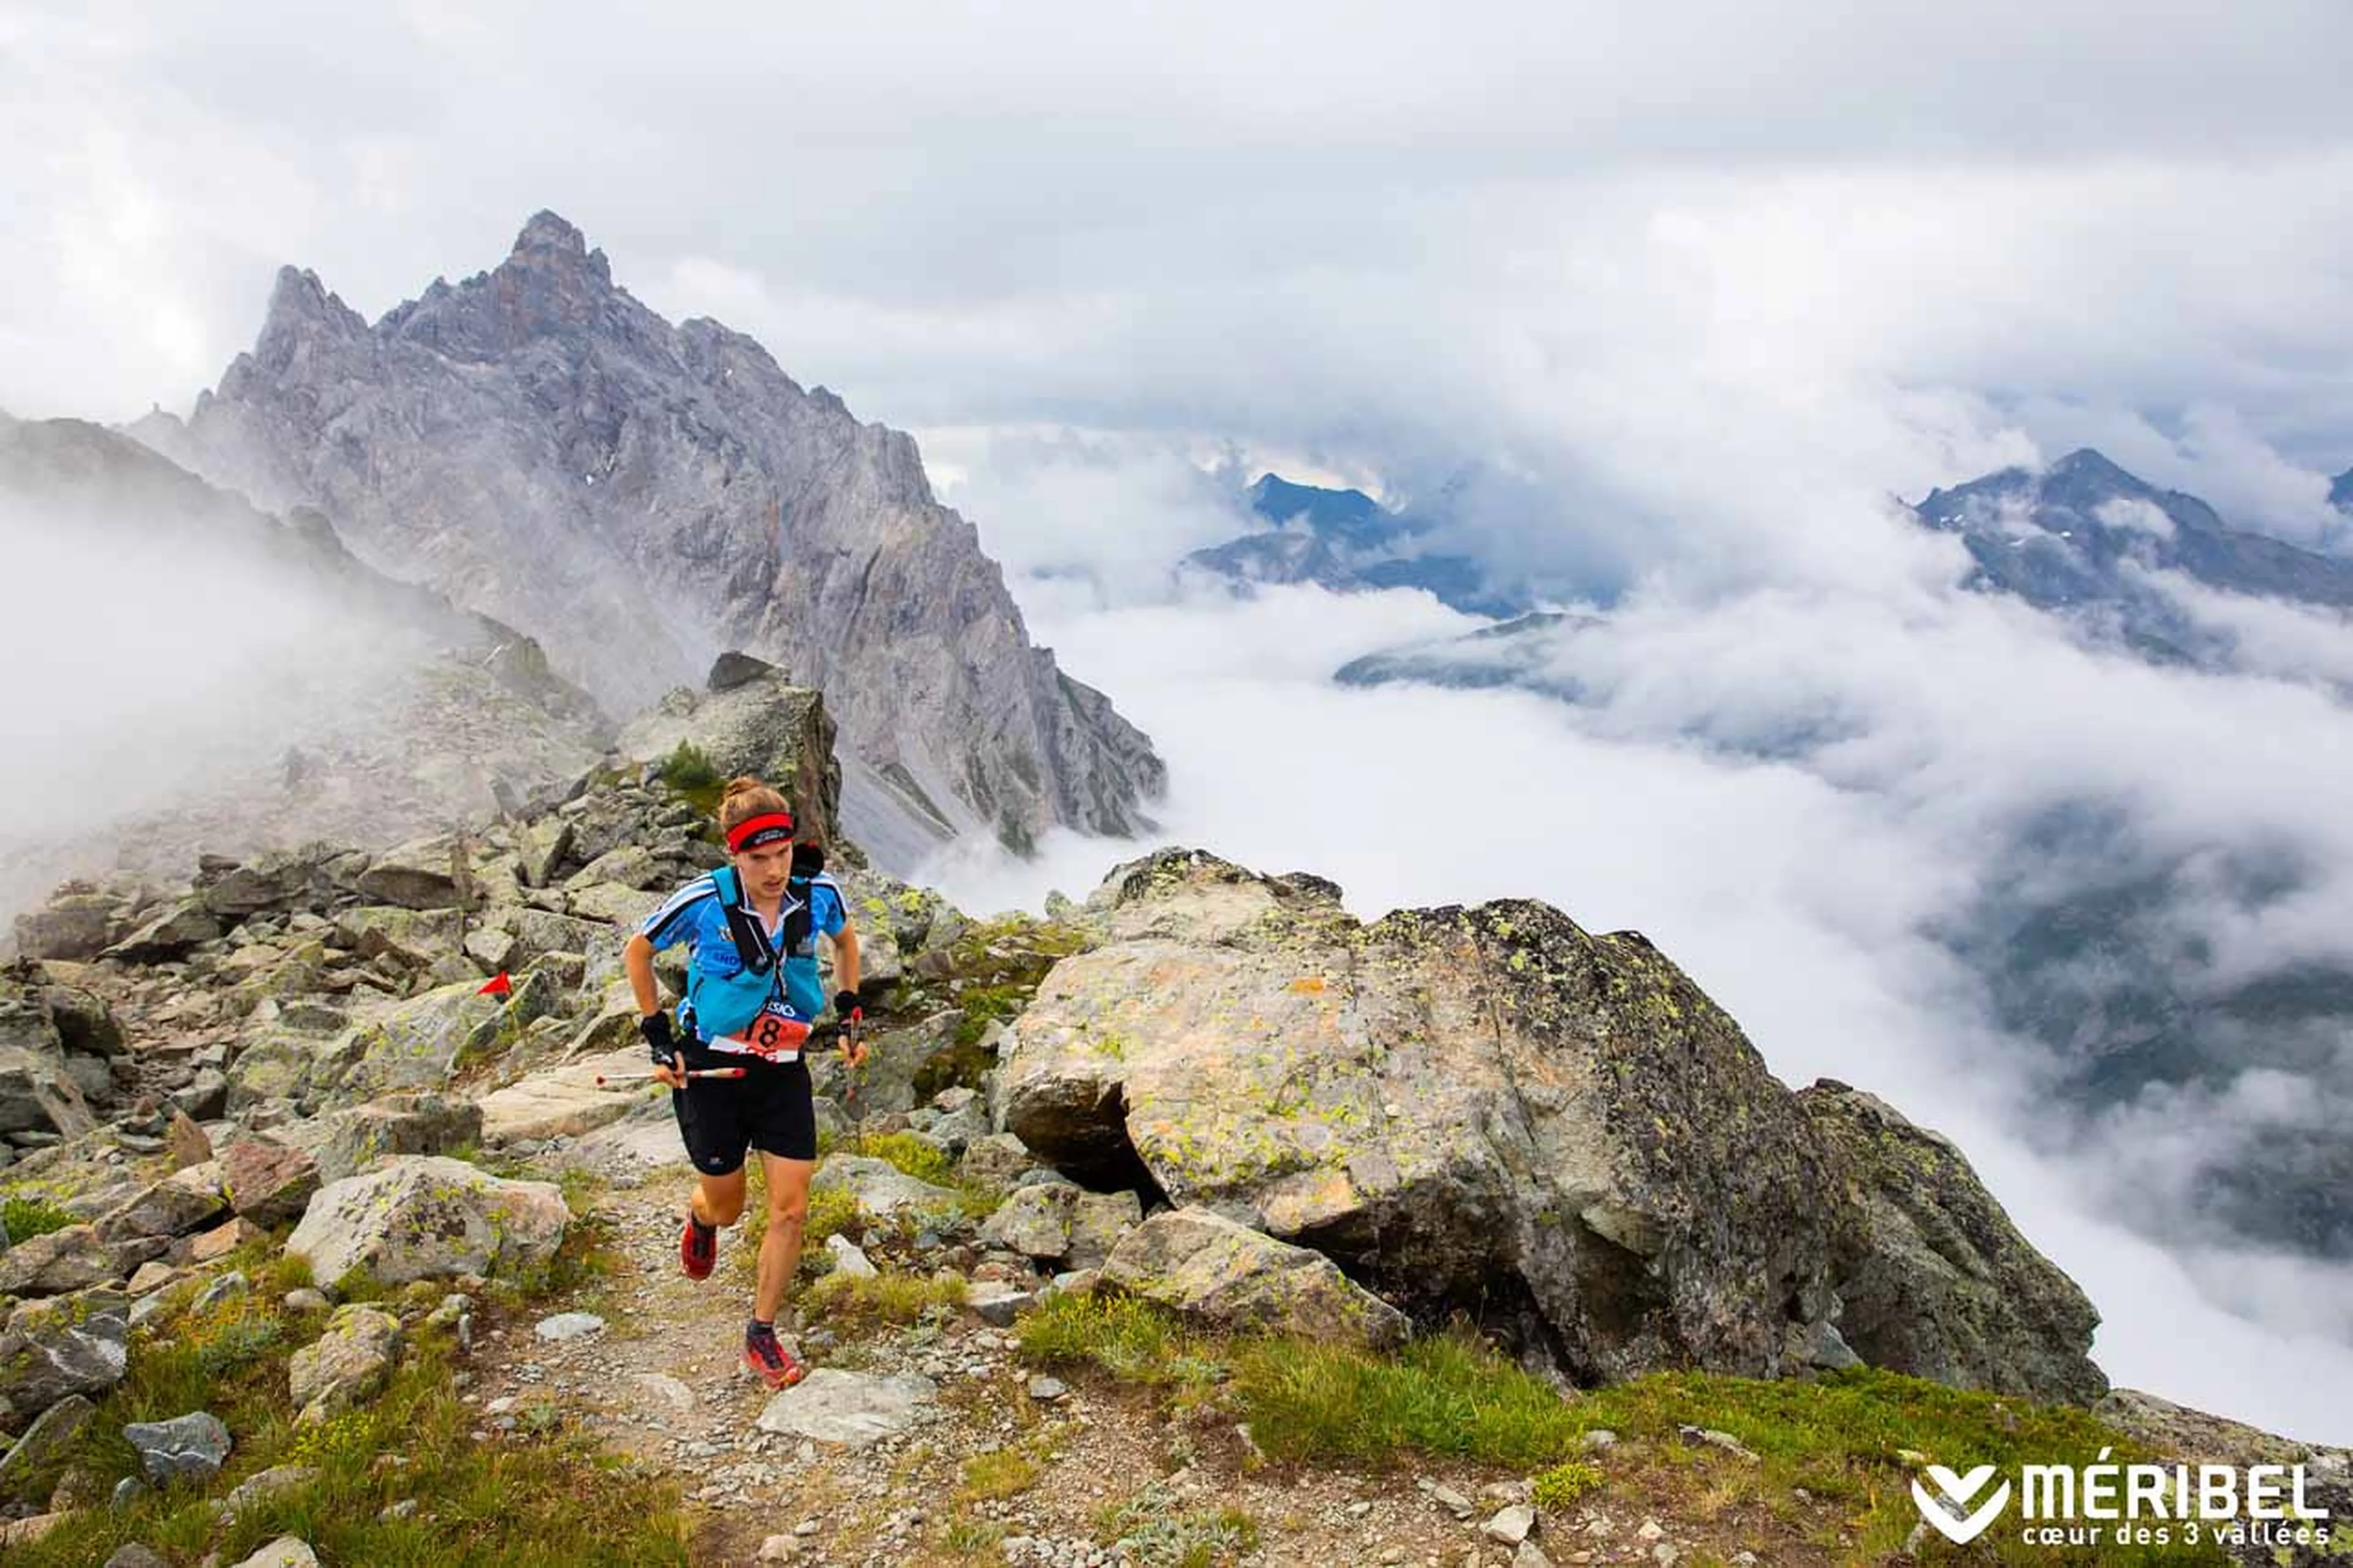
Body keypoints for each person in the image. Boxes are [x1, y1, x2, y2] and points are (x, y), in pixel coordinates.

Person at [622, 776, 866, 1389]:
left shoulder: (816, 892)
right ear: (735, 854)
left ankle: (761, 1331)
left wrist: (850, 1011)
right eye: (759, 859)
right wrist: (658, 1035)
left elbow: (845, 941)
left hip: (783, 1069)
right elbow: (638, 950)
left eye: (782, 853)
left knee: (791, 1208)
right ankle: (702, 1217)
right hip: (711, 1068)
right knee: (730, 1206)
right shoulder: (705, 900)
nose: (775, 869)